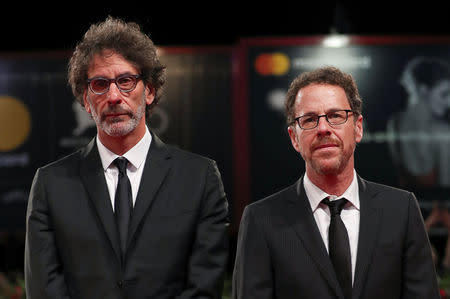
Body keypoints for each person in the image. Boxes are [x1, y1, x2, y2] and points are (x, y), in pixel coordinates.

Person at [24, 16, 229, 299]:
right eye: (99, 84)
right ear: (85, 99)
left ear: (149, 91)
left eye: (126, 81)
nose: (113, 96)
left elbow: (204, 288)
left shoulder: (200, 178)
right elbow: (44, 291)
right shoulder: (51, 184)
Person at [232, 66, 439, 298]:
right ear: (294, 138)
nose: (323, 128)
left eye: (335, 116)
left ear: (358, 128)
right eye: (309, 119)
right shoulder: (260, 220)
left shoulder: (402, 210)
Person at [386, 56, 450, 187]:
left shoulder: (394, 123)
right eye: (444, 94)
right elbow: (445, 196)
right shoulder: (442, 131)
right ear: (423, 90)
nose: (449, 102)